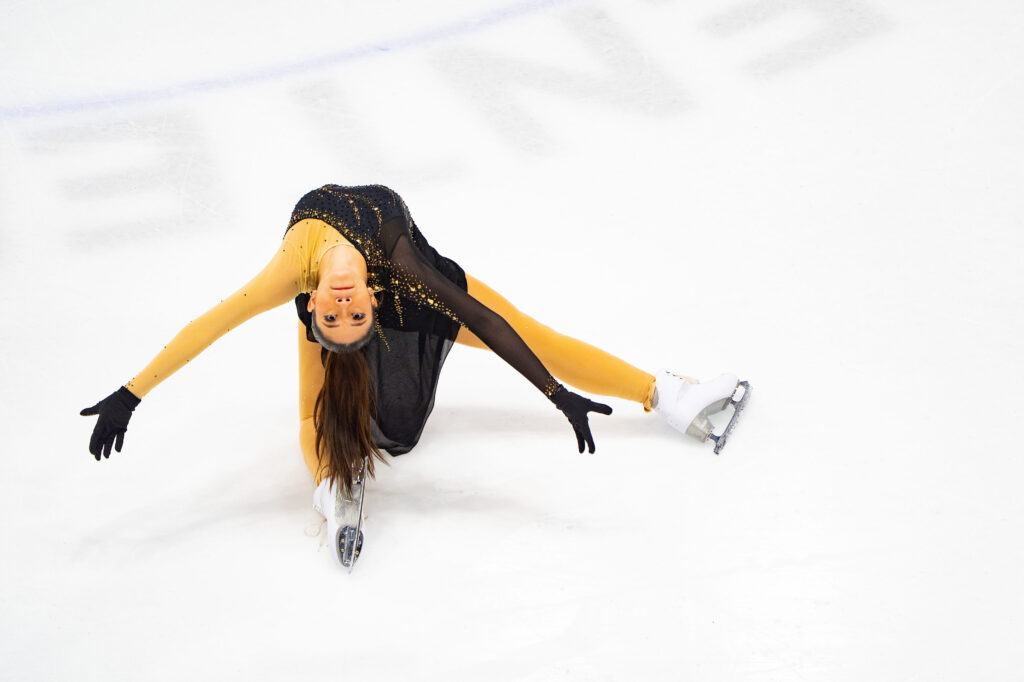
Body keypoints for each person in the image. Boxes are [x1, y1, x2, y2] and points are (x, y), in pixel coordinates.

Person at [80, 184, 748, 568]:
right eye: (348, 315)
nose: (340, 306)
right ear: (364, 302)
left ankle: (670, 396)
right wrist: (133, 394)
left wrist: (131, 391)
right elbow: (212, 327)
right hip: (411, 285)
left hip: (417, 289)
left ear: (318, 304)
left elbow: (491, 323)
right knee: (315, 415)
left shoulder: (312, 273)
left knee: (535, 332)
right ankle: (330, 491)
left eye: (336, 313)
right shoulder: (382, 273)